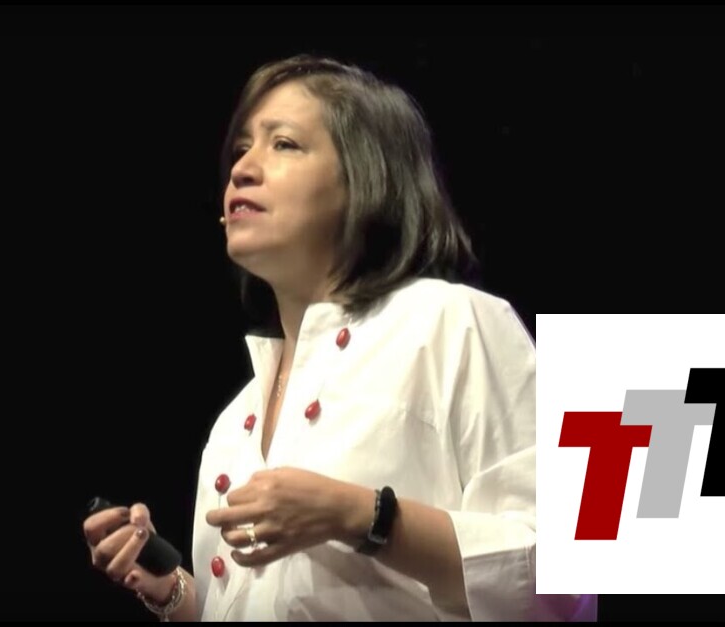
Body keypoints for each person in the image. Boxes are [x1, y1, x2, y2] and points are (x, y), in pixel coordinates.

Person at [83, 53, 598, 621]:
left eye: (283, 144)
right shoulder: (234, 424)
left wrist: (361, 515)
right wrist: (172, 591)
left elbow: (568, 571)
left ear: (364, 179)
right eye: (241, 149)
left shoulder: (451, 322)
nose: (243, 168)